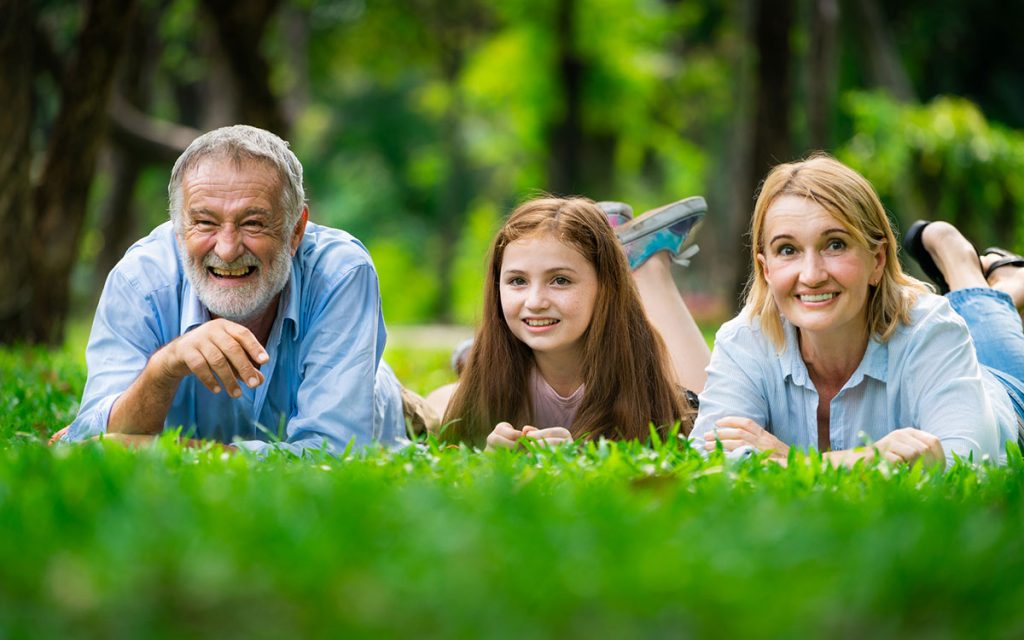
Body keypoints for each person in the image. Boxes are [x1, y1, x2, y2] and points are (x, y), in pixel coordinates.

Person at [58, 125, 406, 454]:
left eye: (253, 223)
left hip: (376, 400)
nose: (227, 249)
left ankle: (425, 404)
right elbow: (91, 438)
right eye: (205, 222)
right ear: (179, 231)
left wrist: (163, 451)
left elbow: (331, 455)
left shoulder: (341, 272)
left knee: (429, 416)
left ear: (296, 230)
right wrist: (165, 366)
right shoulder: (139, 281)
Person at [691, 153, 1024, 467]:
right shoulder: (744, 341)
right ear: (766, 269)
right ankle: (1002, 282)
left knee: (981, 319)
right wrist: (870, 457)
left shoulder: (932, 328)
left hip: (1004, 399)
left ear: (877, 261)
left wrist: (791, 461)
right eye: (788, 249)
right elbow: (706, 461)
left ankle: (961, 262)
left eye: (835, 244)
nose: (811, 275)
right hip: (948, 370)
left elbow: (962, 465)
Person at [432, 195, 711, 450]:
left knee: (709, 411)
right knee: (439, 402)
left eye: (560, 280)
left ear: (605, 286)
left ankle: (648, 261)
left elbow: (672, 447)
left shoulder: (635, 367)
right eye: (518, 281)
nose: (535, 301)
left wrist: (581, 451)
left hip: (674, 388)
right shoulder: (494, 368)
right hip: (492, 369)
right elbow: (453, 449)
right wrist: (486, 454)